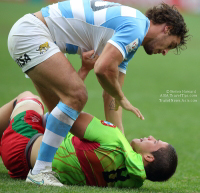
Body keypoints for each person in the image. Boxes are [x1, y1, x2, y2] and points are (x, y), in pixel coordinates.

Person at [7, 0, 186, 186]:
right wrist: (122, 98)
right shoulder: (136, 27)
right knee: (77, 95)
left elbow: (111, 96)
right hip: (33, 34)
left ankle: (37, 163)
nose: (165, 52)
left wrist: (123, 146)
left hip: (38, 37)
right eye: (171, 45)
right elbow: (102, 69)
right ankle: (40, 172)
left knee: (59, 112)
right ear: (167, 28)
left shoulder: (130, 39)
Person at [0, 90, 177, 188]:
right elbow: (121, 144)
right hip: (27, 168)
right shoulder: (133, 181)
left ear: (148, 157)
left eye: (154, 142)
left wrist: (86, 74)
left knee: (30, 98)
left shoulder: (113, 137)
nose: (151, 137)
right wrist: (112, 92)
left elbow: (63, 113)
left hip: (21, 145)